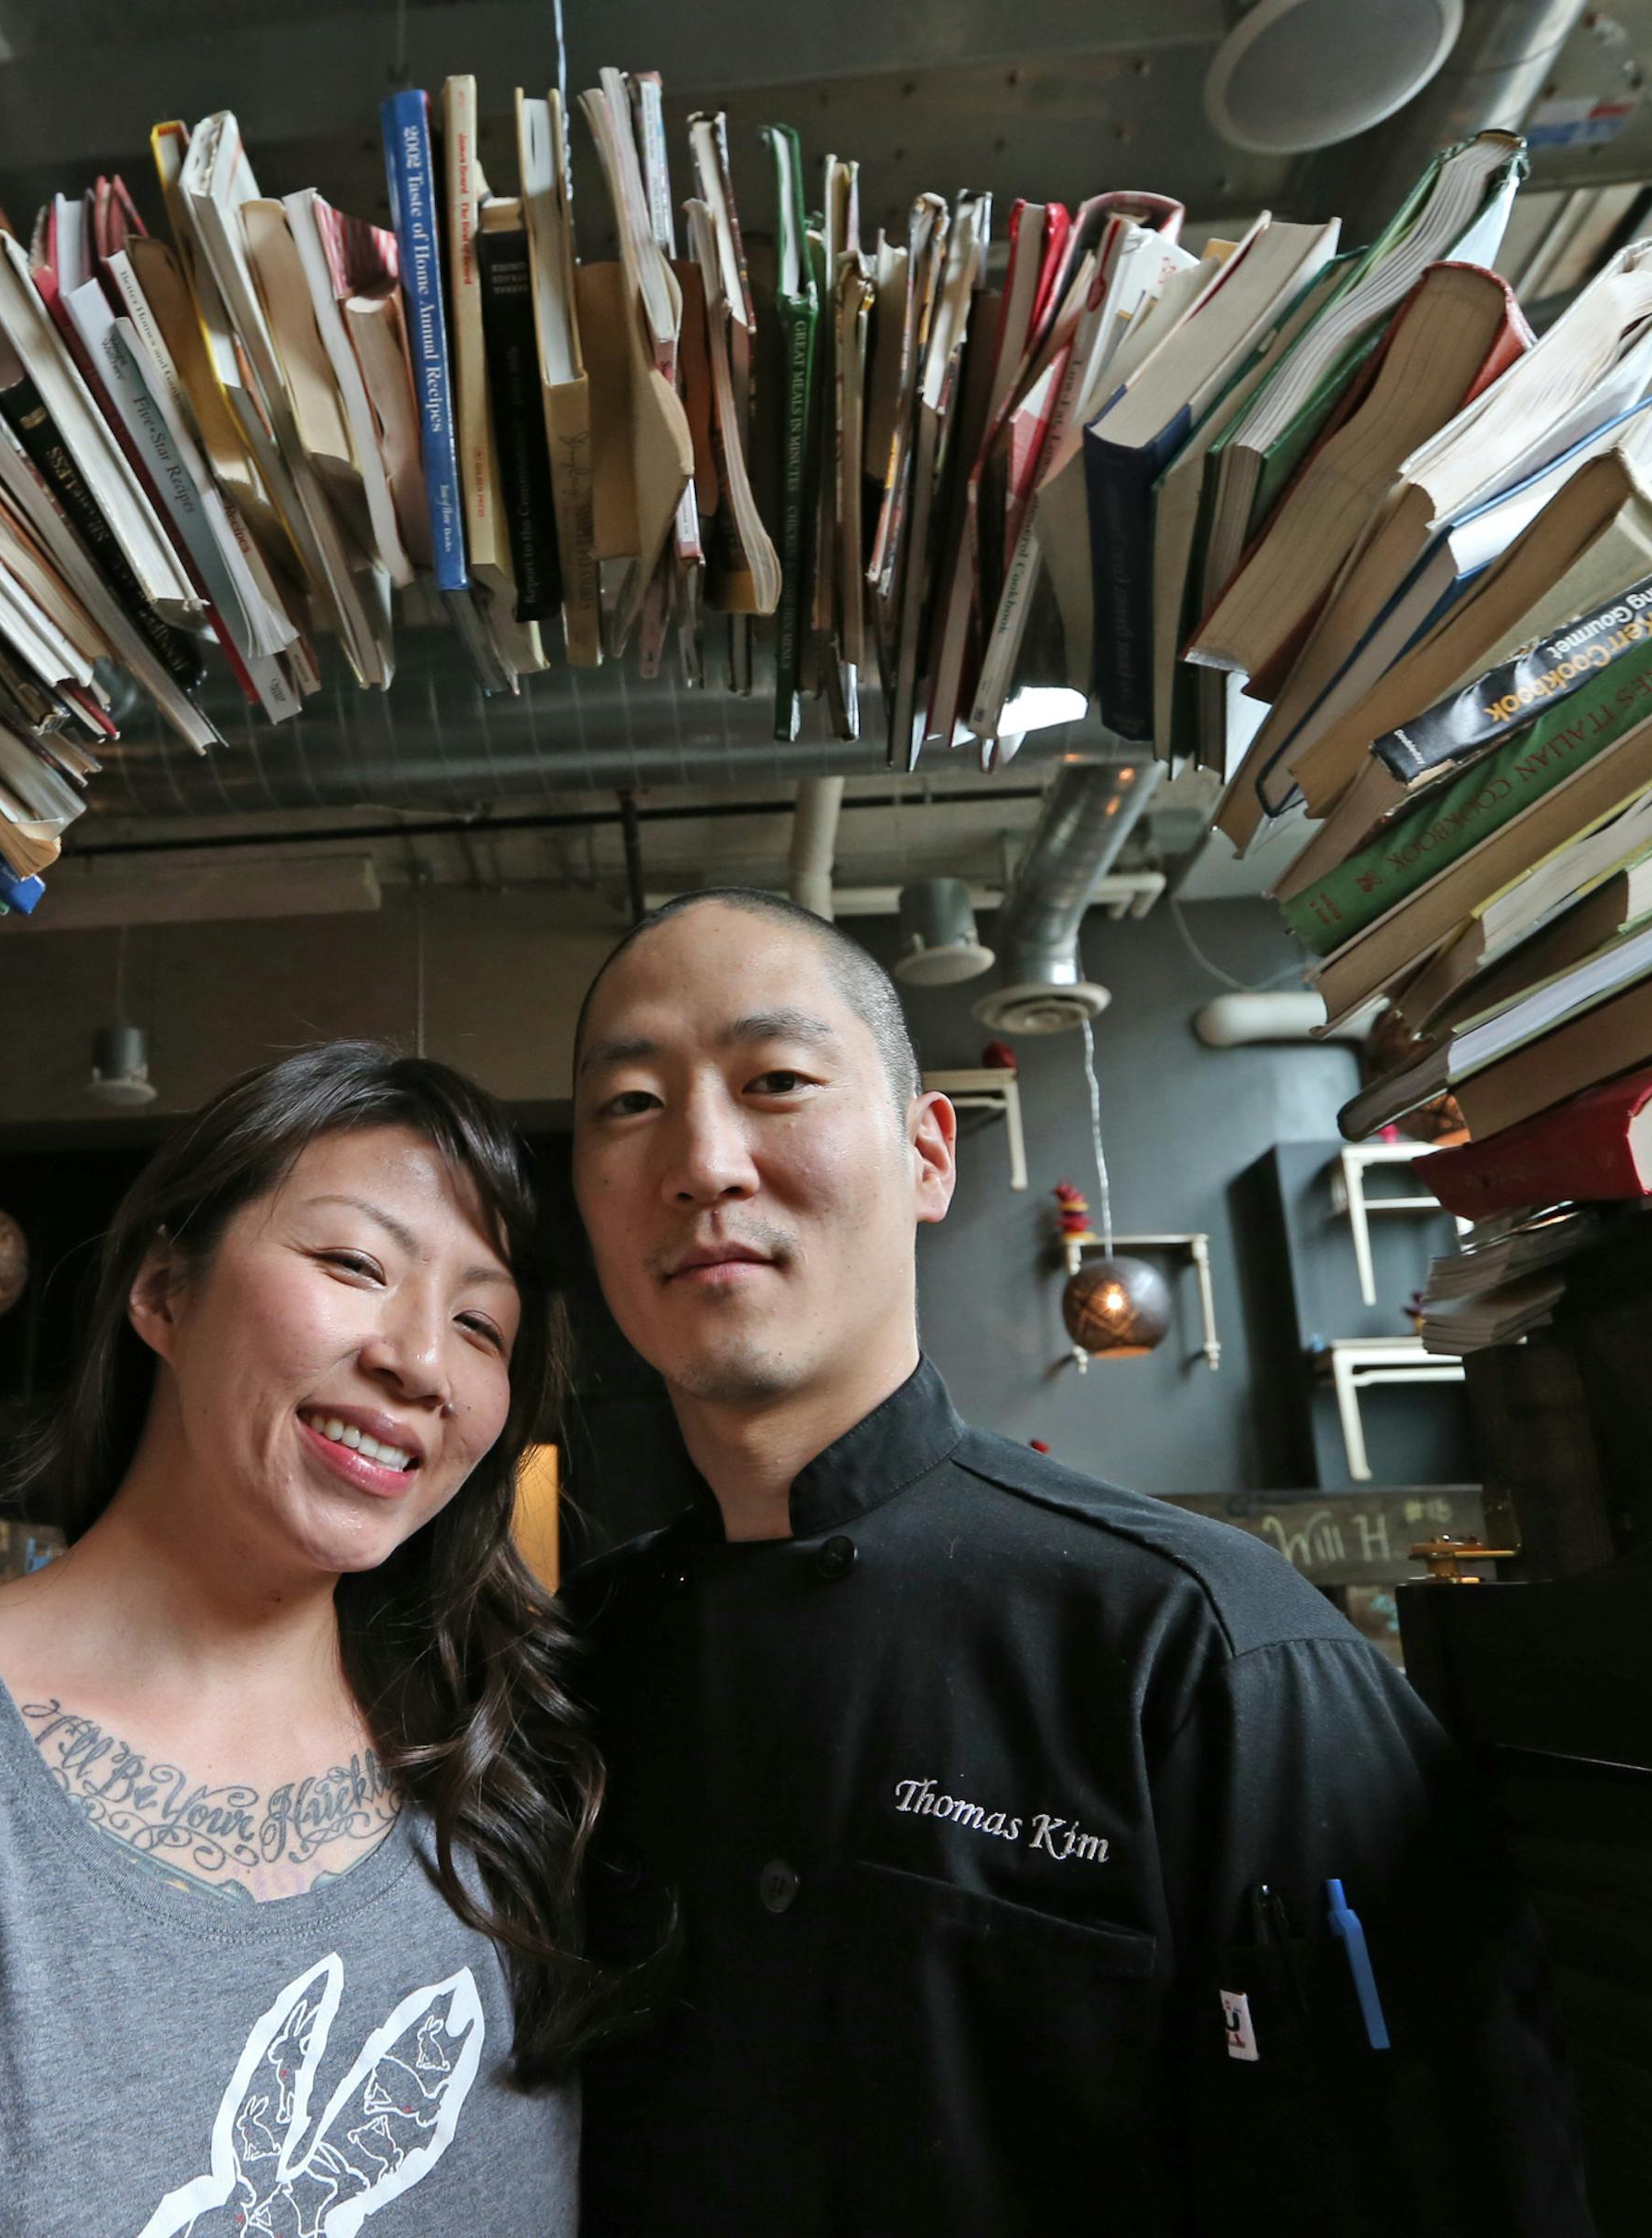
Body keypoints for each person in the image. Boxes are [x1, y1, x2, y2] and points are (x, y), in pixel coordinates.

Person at [566, 888, 1591, 2237]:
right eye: (630, 1103)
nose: (701, 1158)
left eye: (775, 1081)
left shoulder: (1207, 1647)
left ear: (930, 1154)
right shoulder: (566, 1664)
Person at [0, 1042, 598, 2237]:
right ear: (163, 1291)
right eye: (355, 1262)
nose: (418, 1358)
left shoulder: (516, 1794)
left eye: (481, 1324)